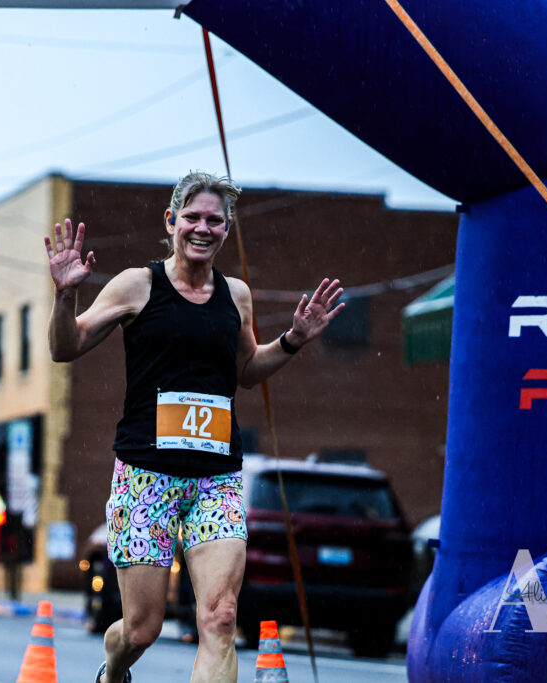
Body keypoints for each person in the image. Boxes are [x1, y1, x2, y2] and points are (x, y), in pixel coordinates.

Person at [45, 171, 344, 683]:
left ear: (227, 229)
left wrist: (292, 339)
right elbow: (65, 347)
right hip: (146, 475)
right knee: (140, 630)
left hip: (216, 478)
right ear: (171, 221)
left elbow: (246, 371)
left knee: (221, 616)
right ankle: (113, 669)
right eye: (192, 218)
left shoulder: (238, 295)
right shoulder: (137, 285)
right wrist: (65, 296)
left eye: (215, 220)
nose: (203, 228)